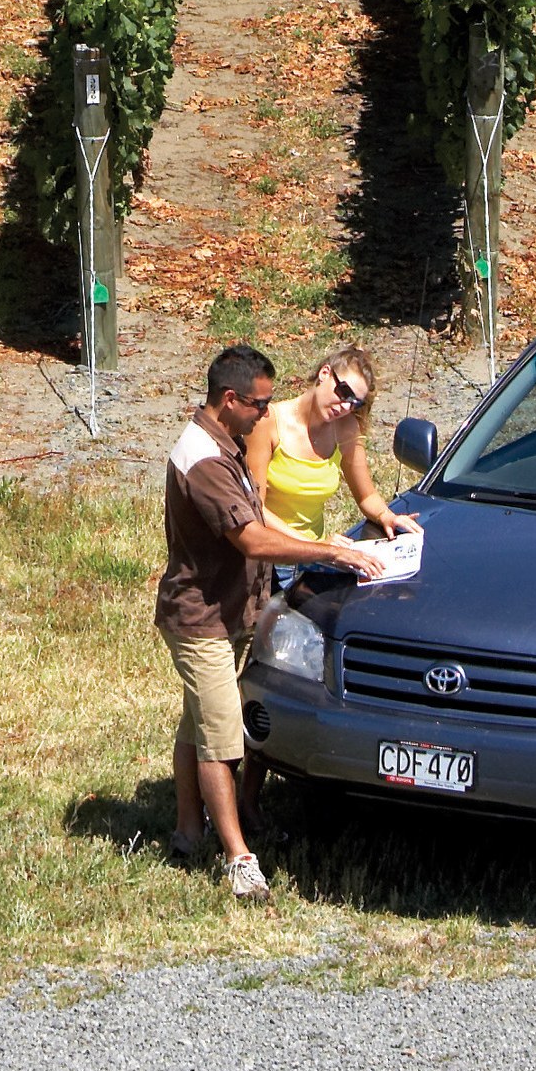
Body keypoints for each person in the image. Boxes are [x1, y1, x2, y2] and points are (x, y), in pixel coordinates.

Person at [160, 343, 387, 900]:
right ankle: (239, 858)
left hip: (234, 604)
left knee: (198, 723)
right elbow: (252, 535)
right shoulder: (206, 460)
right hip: (202, 617)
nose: (266, 414)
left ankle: (189, 832)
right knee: (222, 738)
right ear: (231, 399)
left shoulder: (223, 442)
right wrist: (328, 552)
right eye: (258, 405)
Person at [243, 342, 419, 558]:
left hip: (317, 555)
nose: (345, 407)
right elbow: (254, 507)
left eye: (355, 403)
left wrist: (387, 516)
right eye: (344, 392)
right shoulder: (268, 422)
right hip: (272, 554)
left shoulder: (346, 428)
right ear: (324, 373)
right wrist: (315, 546)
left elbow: (366, 496)